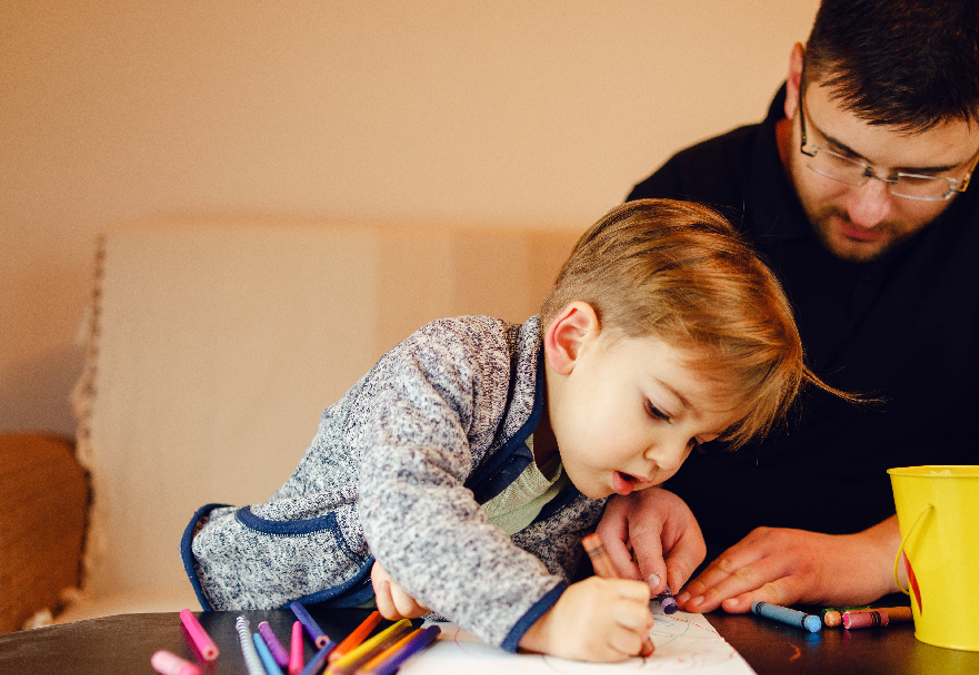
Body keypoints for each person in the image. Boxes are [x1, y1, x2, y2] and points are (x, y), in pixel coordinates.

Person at [599, 0, 979, 623]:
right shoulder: (689, 195)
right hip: (720, 571)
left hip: (942, 551)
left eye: (922, 175)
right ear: (798, 80)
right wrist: (627, 494)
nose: (868, 209)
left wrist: (881, 556)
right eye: (835, 153)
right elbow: (577, 413)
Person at [181, 199, 828, 662]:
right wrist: (550, 615)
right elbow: (407, 506)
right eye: (659, 411)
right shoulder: (455, 361)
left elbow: (478, 569)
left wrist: (617, 541)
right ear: (572, 339)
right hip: (252, 617)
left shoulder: (592, 470)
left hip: (370, 649)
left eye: (695, 441)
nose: (668, 458)